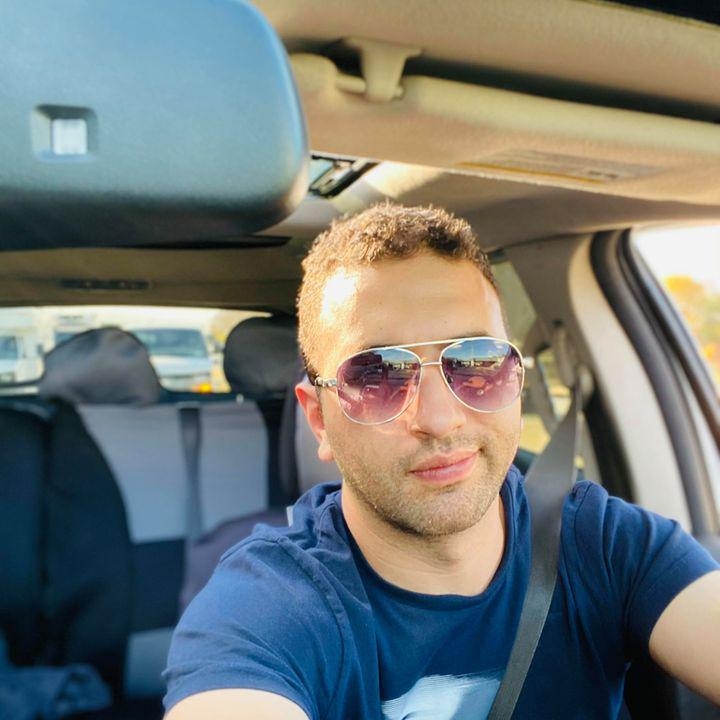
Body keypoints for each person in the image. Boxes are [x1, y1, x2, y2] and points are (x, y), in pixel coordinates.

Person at [163, 204, 720, 719]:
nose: (439, 419)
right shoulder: (272, 606)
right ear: (319, 419)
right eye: (376, 376)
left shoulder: (604, 545)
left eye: (476, 362)